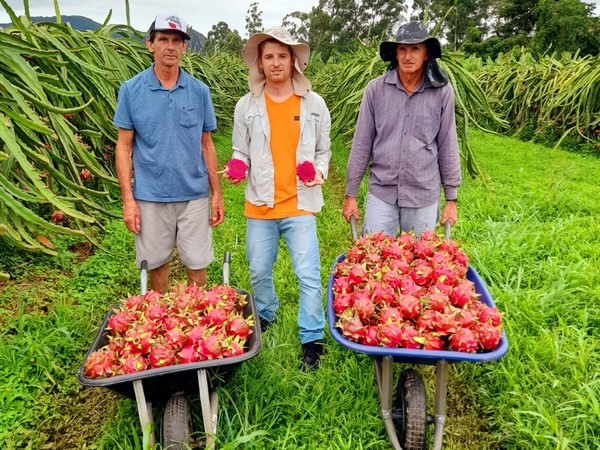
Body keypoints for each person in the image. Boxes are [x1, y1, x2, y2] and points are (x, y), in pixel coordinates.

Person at [226, 27, 331, 371]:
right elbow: (240, 149)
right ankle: (267, 313)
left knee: (307, 273)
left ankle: (312, 338)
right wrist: (239, 166)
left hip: (300, 203)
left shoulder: (314, 104)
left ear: (293, 61)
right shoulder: (247, 105)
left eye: (282, 56)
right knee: (258, 270)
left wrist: (319, 170)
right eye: (268, 56)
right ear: (259, 62)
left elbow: (323, 150)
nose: (275, 63)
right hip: (260, 203)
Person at [114, 13, 224, 293]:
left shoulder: (199, 91)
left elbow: (207, 145)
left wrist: (217, 194)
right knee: (157, 266)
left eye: (177, 41)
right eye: (163, 39)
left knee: (197, 266)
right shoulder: (131, 90)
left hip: (193, 194)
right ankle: (160, 317)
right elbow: (124, 147)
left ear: (185, 47)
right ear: (150, 44)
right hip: (150, 196)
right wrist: (128, 200)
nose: (170, 47)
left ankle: (196, 316)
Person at [342, 21, 461, 238]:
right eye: (402, 49)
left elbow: (448, 145)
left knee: (420, 256)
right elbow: (361, 144)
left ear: (426, 54)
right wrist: (350, 195)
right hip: (382, 192)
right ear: (396, 54)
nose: (408, 56)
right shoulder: (375, 90)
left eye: (415, 49)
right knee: (374, 252)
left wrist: (451, 199)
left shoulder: (442, 93)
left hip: (423, 194)